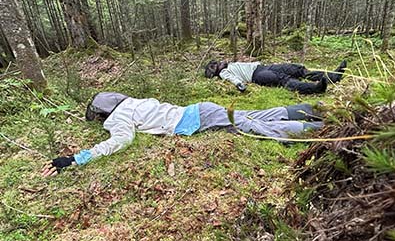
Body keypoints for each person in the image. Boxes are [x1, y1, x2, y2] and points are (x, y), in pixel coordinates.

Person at [42, 92, 323, 177]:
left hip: (196, 119)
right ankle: (300, 110)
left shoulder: (120, 116)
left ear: (102, 114)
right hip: (199, 108)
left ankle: (316, 129)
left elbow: (121, 140)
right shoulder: (131, 103)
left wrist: (76, 159)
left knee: (252, 126)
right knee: (251, 116)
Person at [205, 60, 347, 94]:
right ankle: (316, 88)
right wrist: (239, 85)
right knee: (284, 79)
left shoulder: (231, 64)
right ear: (216, 71)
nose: (218, 62)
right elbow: (232, 79)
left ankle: (334, 76)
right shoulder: (224, 73)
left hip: (264, 67)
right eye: (214, 65)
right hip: (258, 75)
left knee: (297, 69)